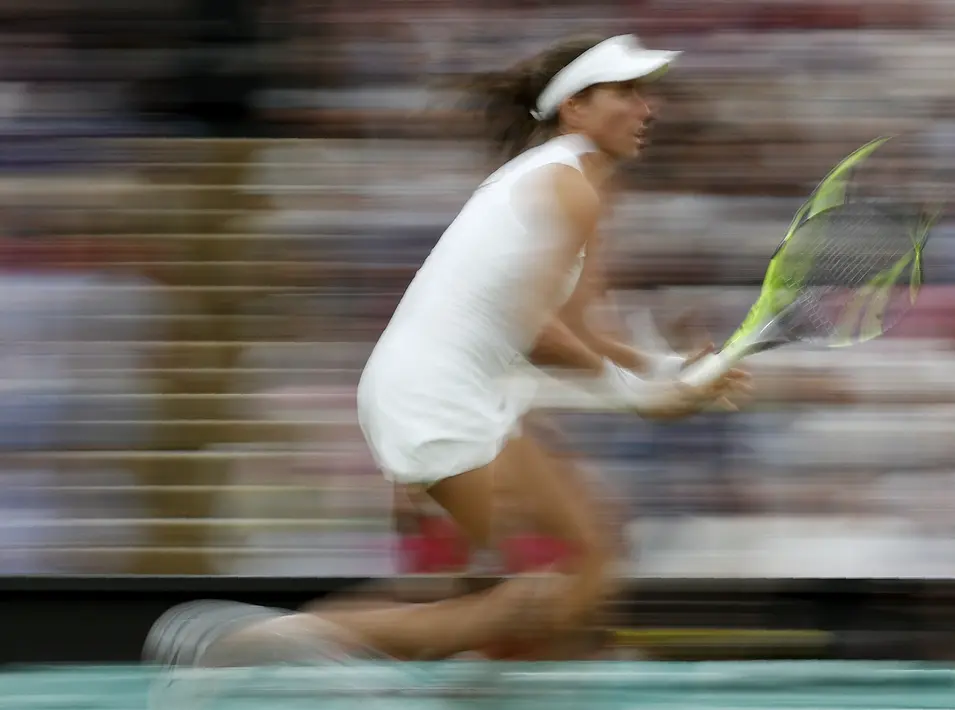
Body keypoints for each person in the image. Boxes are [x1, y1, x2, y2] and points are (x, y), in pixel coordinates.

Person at [145, 34, 746, 669]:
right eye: (627, 93)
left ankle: (426, 666)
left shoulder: (580, 187)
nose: (647, 109)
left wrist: (672, 371)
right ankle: (260, 647)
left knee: (583, 565)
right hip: (435, 401)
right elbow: (536, 332)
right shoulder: (568, 187)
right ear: (575, 107)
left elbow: (584, 331)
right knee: (550, 589)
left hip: (450, 396)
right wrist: (651, 400)